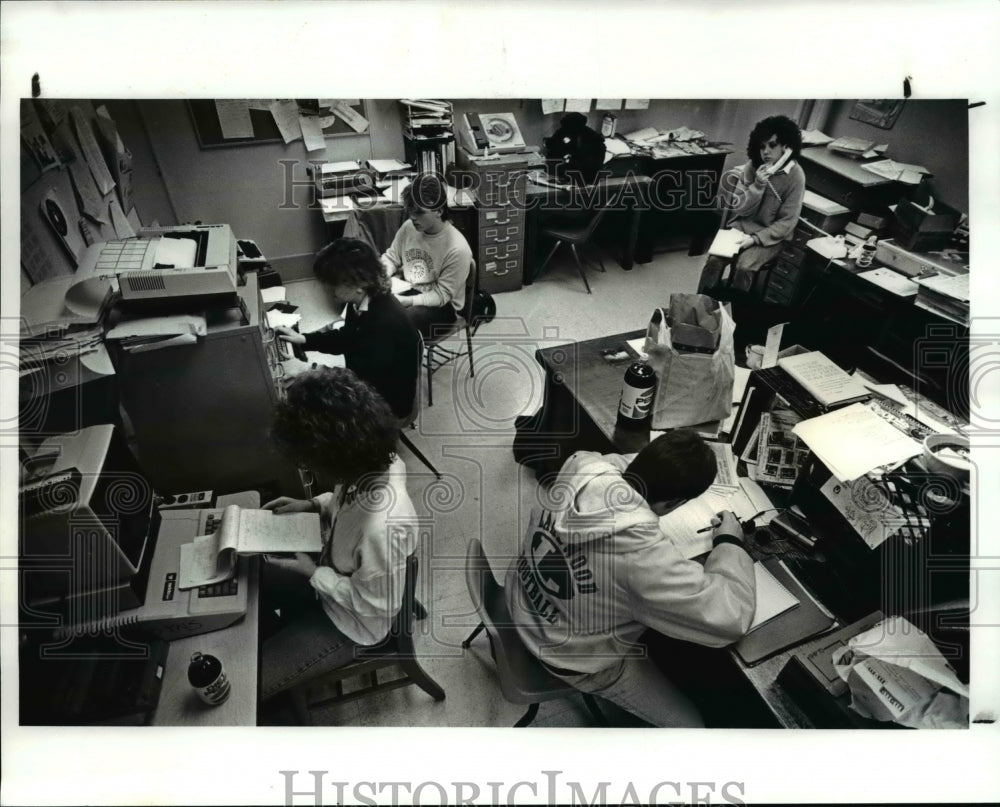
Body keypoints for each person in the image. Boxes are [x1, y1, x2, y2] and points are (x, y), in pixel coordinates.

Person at [504, 430, 756, 727]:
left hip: (521, 599)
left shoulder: (582, 466)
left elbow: (617, 463)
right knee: (692, 727)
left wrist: (659, 462)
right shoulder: (643, 560)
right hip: (567, 655)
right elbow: (730, 616)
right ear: (673, 504)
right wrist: (729, 542)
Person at [258, 367, 418, 702]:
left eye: (311, 463)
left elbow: (375, 606)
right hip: (332, 577)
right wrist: (312, 505)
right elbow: (344, 502)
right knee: (252, 575)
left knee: (251, 683)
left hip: (353, 623)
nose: (311, 470)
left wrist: (314, 573)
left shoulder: (381, 529)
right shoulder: (376, 462)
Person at [275, 238, 420, 420]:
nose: (327, 290)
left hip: (384, 406)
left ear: (359, 284)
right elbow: (347, 337)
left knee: (307, 413)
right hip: (367, 386)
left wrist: (308, 370)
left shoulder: (384, 323)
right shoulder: (361, 301)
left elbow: (358, 382)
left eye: (333, 284)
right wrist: (304, 340)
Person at [697, 114, 806, 295]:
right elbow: (740, 208)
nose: (766, 152)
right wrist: (758, 185)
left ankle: (734, 312)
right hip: (741, 227)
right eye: (762, 146)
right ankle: (700, 307)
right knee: (714, 262)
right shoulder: (752, 166)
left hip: (769, 237)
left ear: (786, 147)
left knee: (744, 267)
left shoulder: (796, 177)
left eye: (772, 145)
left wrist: (754, 239)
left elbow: (787, 223)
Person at [381, 172, 473, 339]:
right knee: (367, 306)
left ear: (438, 210)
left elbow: (441, 295)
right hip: (410, 289)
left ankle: (403, 363)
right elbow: (391, 257)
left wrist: (408, 302)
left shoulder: (458, 248)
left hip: (442, 306)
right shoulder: (409, 227)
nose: (412, 217)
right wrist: (383, 274)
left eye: (419, 212)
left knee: (396, 325)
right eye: (410, 211)